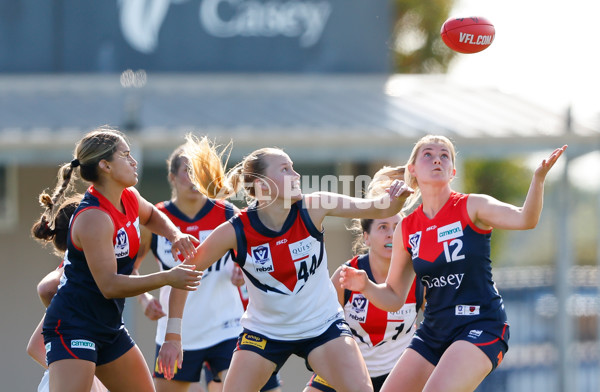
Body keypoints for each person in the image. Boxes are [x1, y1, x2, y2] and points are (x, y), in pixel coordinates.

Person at [157, 138, 413, 392]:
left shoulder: (314, 206)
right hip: (265, 332)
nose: (296, 174)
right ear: (261, 185)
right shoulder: (236, 230)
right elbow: (185, 273)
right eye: (285, 169)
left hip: (321, 325)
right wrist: (173, 335)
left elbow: (379, 208)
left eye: (292, 167)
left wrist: (398, 198)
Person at [339, 135, 567, 392]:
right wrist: (366, 285)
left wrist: (538, 179)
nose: (437, 158)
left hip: (481, 325)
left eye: (444, 155)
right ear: (412, 169)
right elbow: (393, 297)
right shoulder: (407, 227)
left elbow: (526, 219)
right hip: (434, 332)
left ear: (452, 171)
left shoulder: (472, 206)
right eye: (428, 154)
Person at [39, 127, 202, 392]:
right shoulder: (94, 218)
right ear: (105, 165)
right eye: (125, 155)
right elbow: (110, 285)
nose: (134, 161)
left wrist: (176, 235)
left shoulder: (128, 196)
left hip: (109, 328)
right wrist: (169, 278)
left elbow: (150, 216)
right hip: (74, 328)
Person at [135, 140, 281, 392]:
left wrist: (243, 273)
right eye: (187, 171)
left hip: (227, 327)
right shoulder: (156, 220)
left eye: (199, 172)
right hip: (178, 332)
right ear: (172, 177)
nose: (194, 179)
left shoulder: (227, 213)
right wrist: (145, 299)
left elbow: (256, 258)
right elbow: (128, 268)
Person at [304, 166, 424, 392]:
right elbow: (320, 325)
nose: (391, 234)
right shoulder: (346, 275)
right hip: (349, 372)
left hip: (399, 375)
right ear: (366, 238)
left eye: (397, 227)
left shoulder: (419, 275)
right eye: (383, 227)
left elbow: (439, 324)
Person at [28, 196, 108, 392]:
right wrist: (74, 372)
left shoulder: (90, 269)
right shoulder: (74, 270)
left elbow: (34, 346)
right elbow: (46, 287)